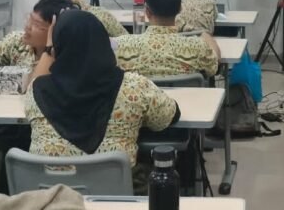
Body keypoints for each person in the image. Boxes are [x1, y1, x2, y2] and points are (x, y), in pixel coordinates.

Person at [26, 10, 179, 167]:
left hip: (46, 183)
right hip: (115, 183)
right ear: (103, 42)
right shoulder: (134, 87)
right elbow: (168, 116)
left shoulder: (36, 91)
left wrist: (48, 49)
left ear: (57, 47)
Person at [114, 0, 220, 78]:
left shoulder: (122, 46)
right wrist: (207, 37)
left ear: (147, 12)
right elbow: (214, 65)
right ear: (180, 9)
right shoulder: (197, 47)